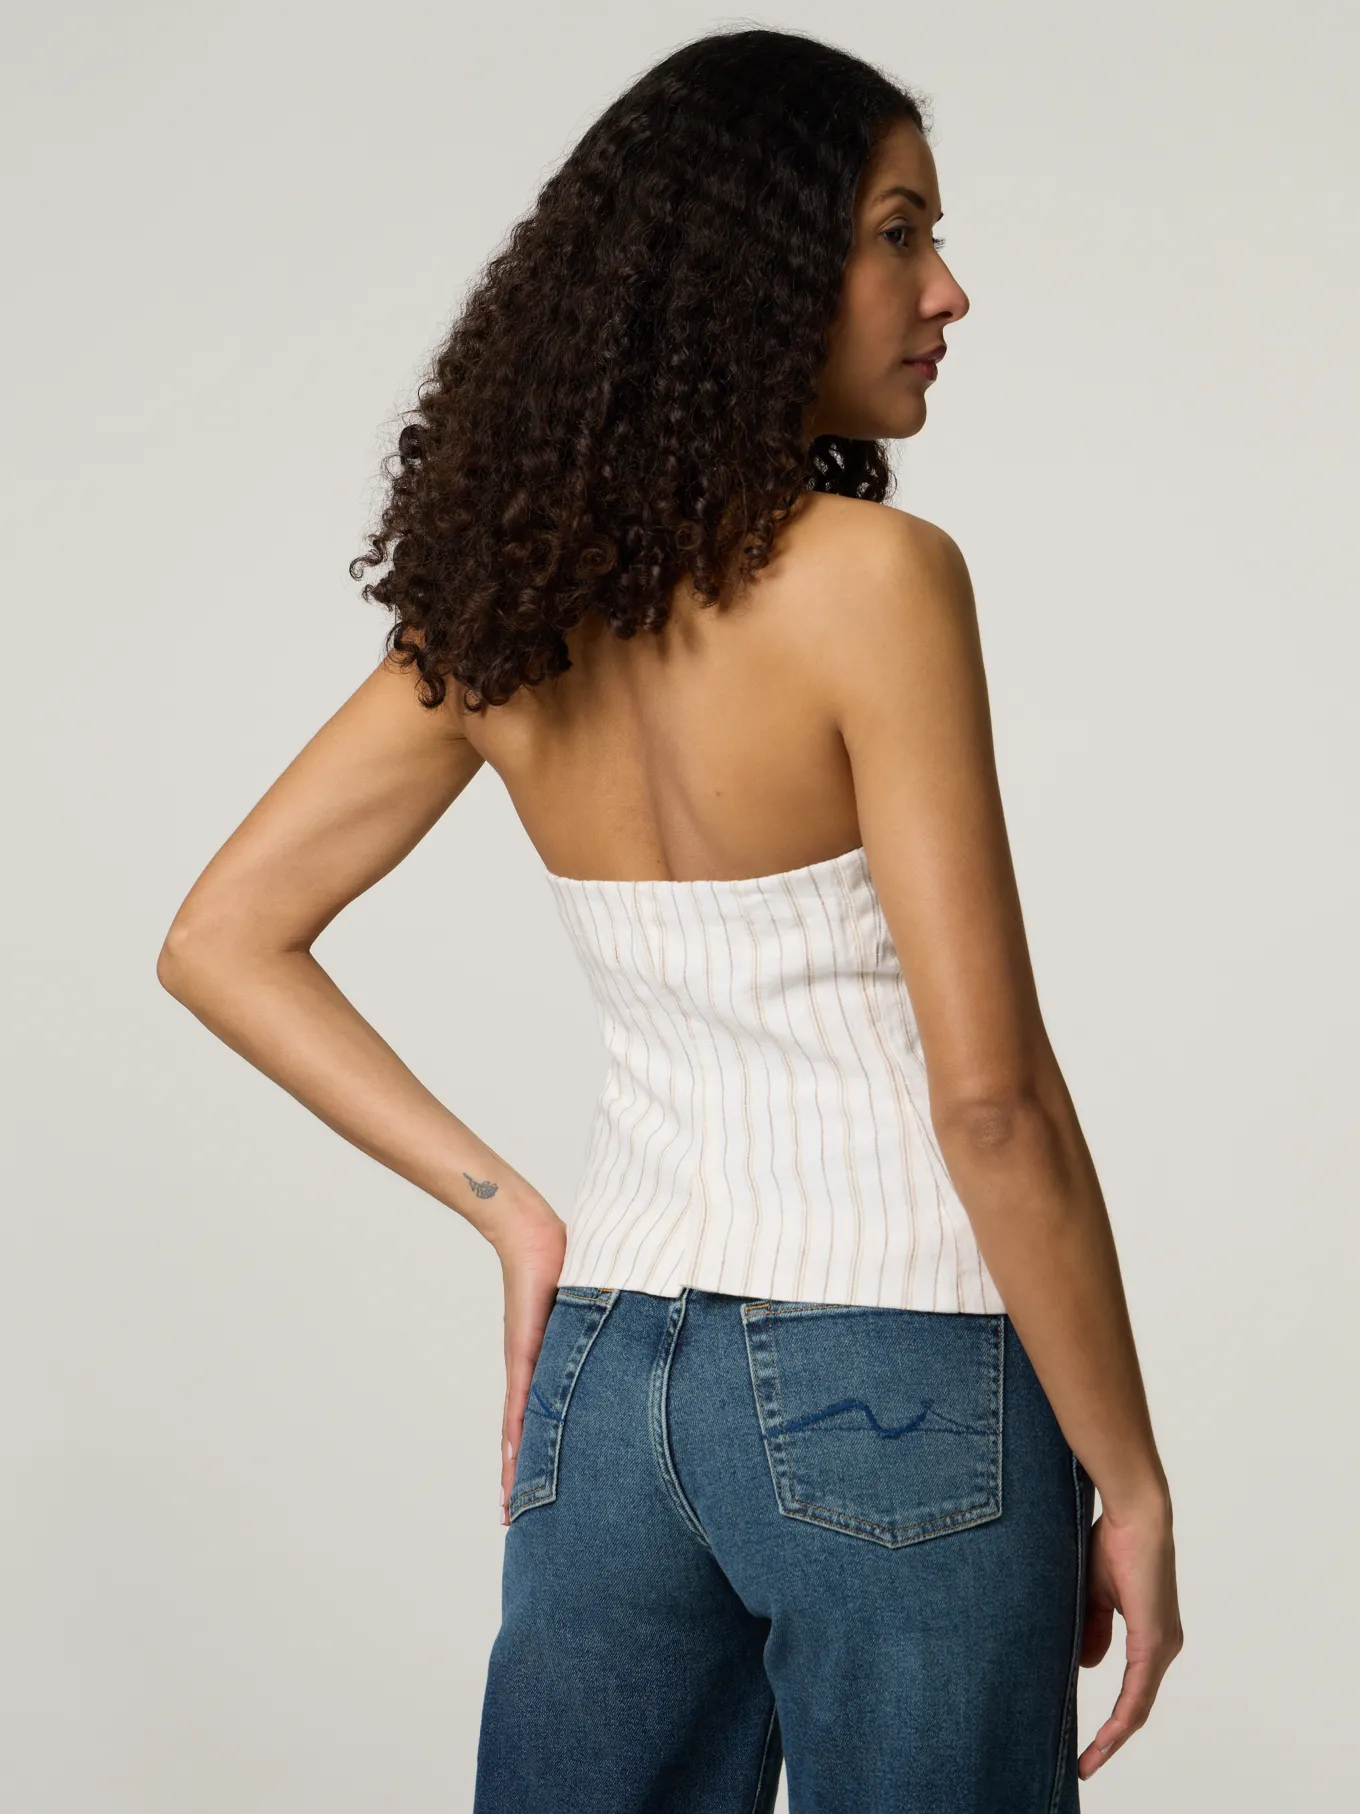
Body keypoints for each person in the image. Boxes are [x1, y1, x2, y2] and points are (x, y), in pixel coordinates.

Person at [157, 26, 1182, 1812]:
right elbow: (990, 1104)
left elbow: (219, 933)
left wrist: (516, 1220)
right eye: (898, 233)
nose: (947, 289)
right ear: (756, 268)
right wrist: (1136, 1475)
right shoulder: (878, 580)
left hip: (613, 1376)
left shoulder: (511, 604)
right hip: (901, 1374)